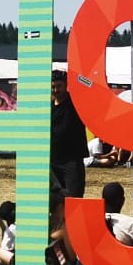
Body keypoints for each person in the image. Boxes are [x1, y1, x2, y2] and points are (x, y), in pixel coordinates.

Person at [49, 69, 86, 201]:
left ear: (66, 85)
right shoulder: (47, 107)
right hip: (52, 160)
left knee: (74, 199)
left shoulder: (76, 103)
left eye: (59, 86)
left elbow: (86, 84)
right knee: (55, 200)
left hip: (72, 161)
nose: (55, 90)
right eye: (53, 86)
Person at [0, 200, 19, 265]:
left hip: (14, 255)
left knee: (0, 251)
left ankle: (13, 264)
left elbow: (5, 246)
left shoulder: (11, 229)